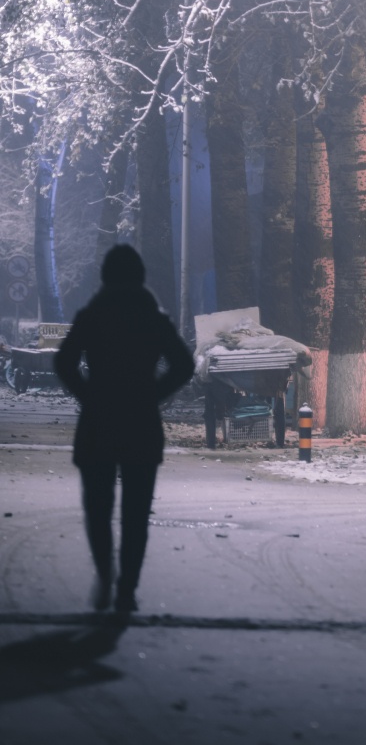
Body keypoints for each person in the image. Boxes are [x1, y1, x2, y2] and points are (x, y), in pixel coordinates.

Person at [55, 245, 194, 613]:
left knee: (98, 509)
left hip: (99, 421)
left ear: (105, 276)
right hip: (140, 422)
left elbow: (64, 361)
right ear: (139, 276)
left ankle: (105, 573)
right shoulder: (152, 317)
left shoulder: (93, 314)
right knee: (136, 513)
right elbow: (183, 364)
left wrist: (88, 395)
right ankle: (127, 590)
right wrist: (154, 395)